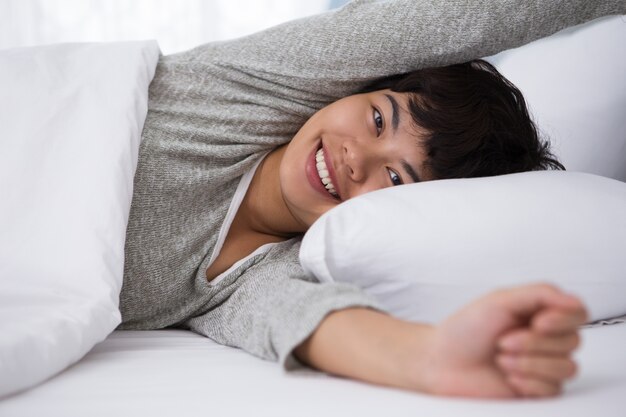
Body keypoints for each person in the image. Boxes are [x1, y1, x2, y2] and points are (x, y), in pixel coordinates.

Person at [118, 0, 624, 399]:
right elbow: (469, 14)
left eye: (397, 180)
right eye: (379, 119)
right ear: (359, 88)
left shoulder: (252, 278)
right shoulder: (250, 91)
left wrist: (432, 357)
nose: (354, 160)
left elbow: (310, 319)